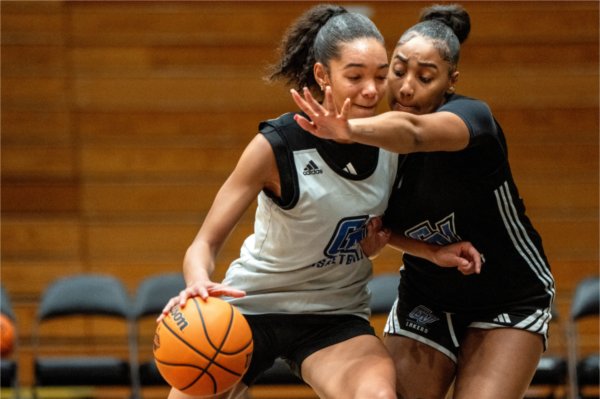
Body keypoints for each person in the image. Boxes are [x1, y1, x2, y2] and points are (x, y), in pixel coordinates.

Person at [158, 4, 484, 399]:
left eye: (381, 76)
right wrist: (198, 285)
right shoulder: (275, 146)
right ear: (321, 75)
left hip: (333, 316)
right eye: (355, 76)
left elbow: (378, 231)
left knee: (379, 395)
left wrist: (429, 252)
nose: (371, 89)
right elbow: (203, 244)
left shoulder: (392, 143)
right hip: (251, 308)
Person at [291, 4, 555, 399]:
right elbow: (382, 226)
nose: (407, 87)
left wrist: (347, 130)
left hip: (510, 297)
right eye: (398, 71)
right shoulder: (374, 141)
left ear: (451, 81)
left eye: (425, 77)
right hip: (427, 295)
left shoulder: (472, 120)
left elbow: (413, 131)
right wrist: (393, 244)